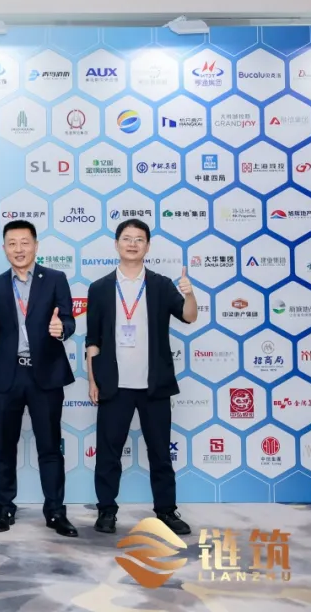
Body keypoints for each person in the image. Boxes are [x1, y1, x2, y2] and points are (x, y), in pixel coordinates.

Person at [86, 219, 197, 536]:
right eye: (126, 238)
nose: (132, 244)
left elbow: (188, 316)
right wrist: (93, 380)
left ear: (147, 246)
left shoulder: (160, 285)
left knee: (160, 453)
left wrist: (190, 294)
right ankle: (106, 511)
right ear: (116, 244)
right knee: (108, 455)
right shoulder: (100, 288)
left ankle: (166, 511)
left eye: (139, 239)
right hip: (114, 386)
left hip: (154, 386)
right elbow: (93, 341)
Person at [0, 220, 77, 537]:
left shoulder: (55, 279)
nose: (19, 249)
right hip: (8, 378)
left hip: (45, 376)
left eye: (25, 242)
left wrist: (61, 329)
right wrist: (4, 368)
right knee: (4, 448)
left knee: (50, 447)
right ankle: (3, 509)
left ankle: (55, 512)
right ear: (4, 248)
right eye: (12, 243)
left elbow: (68, 319)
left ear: (36, 246)